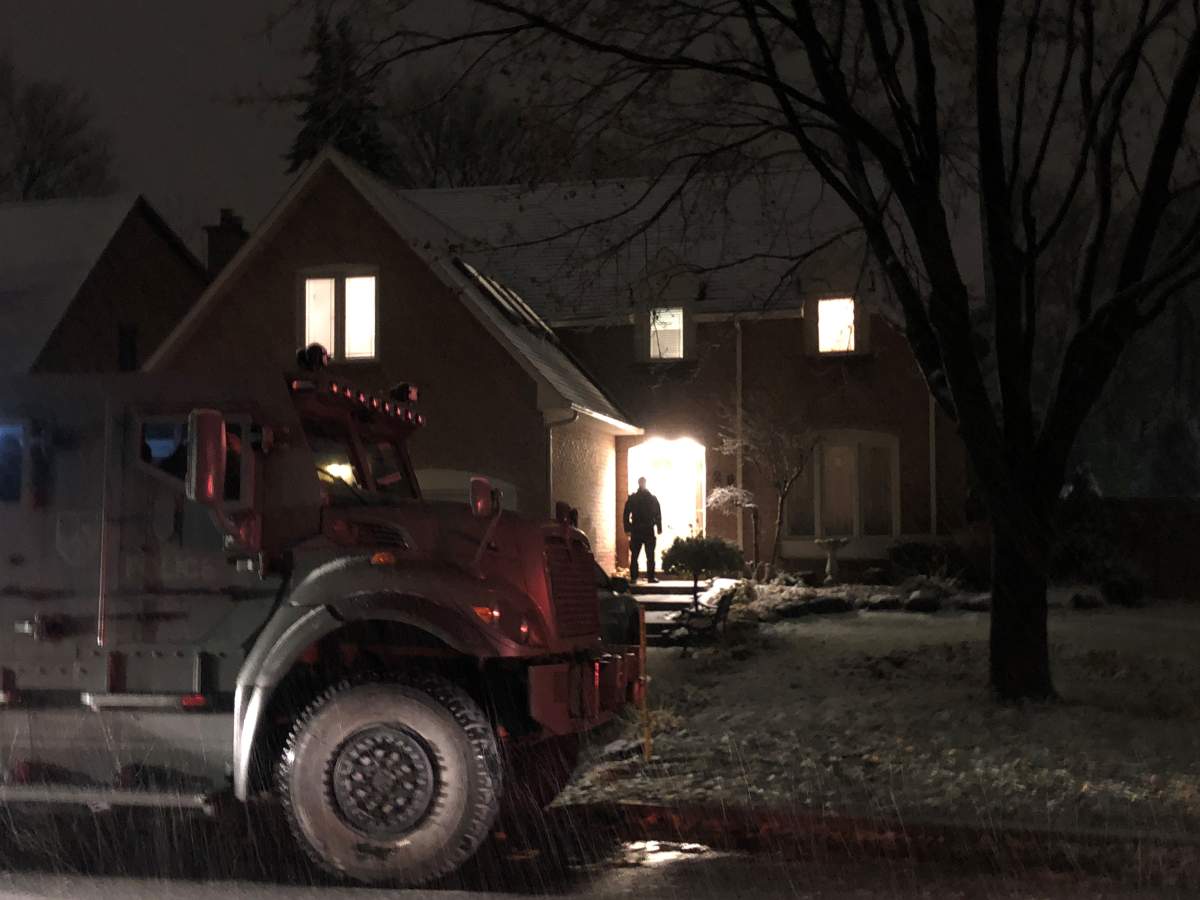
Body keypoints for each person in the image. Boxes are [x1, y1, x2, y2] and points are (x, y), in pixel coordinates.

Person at [623, 477, 662, 583]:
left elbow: (657, 513)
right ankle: (640, 576)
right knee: (638, 555)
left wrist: (659, 527)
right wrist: (627, 528)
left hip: (642, 529)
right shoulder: (641, 498)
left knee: (647, 555)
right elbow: (626, 514)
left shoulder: (646, 498)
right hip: (642, 529)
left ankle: (644, 577)